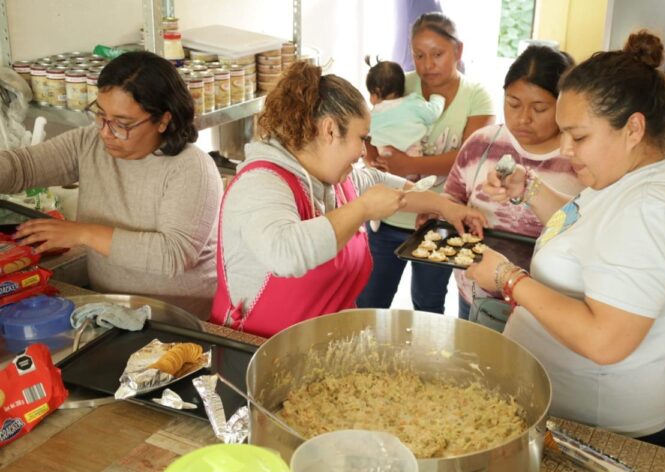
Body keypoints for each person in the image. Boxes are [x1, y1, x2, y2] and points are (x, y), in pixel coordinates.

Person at [466, 31, 665, 450]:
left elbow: (605, 340)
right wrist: (526, 187)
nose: (565, 148)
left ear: (634, 127)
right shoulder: (658, 164)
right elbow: (587, 230)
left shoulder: (650, 210)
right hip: (575, 404)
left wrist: (508, 278)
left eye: (579, 136)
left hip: (596, 426)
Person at [209, 61, 485, 338]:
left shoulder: (338, 181)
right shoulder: (259, 184)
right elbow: (287, 253)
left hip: (324, 350)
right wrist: (363, 209)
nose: (364, 152)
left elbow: (383, 184)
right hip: (254, 355)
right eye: (361, 138)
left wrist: (444, 207)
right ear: (330, 130)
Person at [0, 51, 222, 318]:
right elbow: (22, 168)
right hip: (111, 309)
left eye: (122, 123)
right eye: (101, 115)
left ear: (164, 120)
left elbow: (172, 255)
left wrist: (82, 233)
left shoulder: (191, 168)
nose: (105, 131)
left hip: (177, 319)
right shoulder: (89, 143)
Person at [357, 12, 496, 313]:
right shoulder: (398, 85)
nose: (427, 64)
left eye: (437, 54)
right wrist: (374, 159)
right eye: (419, 55)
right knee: (370, 301)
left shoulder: (477, 96)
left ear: (458, 51)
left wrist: (406, 166)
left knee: (428, 301)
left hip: (440, 220)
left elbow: (469, 159)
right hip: (391, 214)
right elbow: (367, 129)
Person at [442, 44, 582, 320]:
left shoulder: (580, 159)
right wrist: (444, 213)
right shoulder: (482, 143)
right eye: (513, 103)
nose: (523, 118)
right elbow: (452, 198)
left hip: (548, 307)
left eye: (539, 108)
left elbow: (590, 229)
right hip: (475, 293)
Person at [365, 57, 444, 158]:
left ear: (377, 91)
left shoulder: (372, 116)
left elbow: (365, 135)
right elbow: (433, 113)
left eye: (370, 93)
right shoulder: (413, 103)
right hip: (412, 156)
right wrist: (437, 97)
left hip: (383, 158)